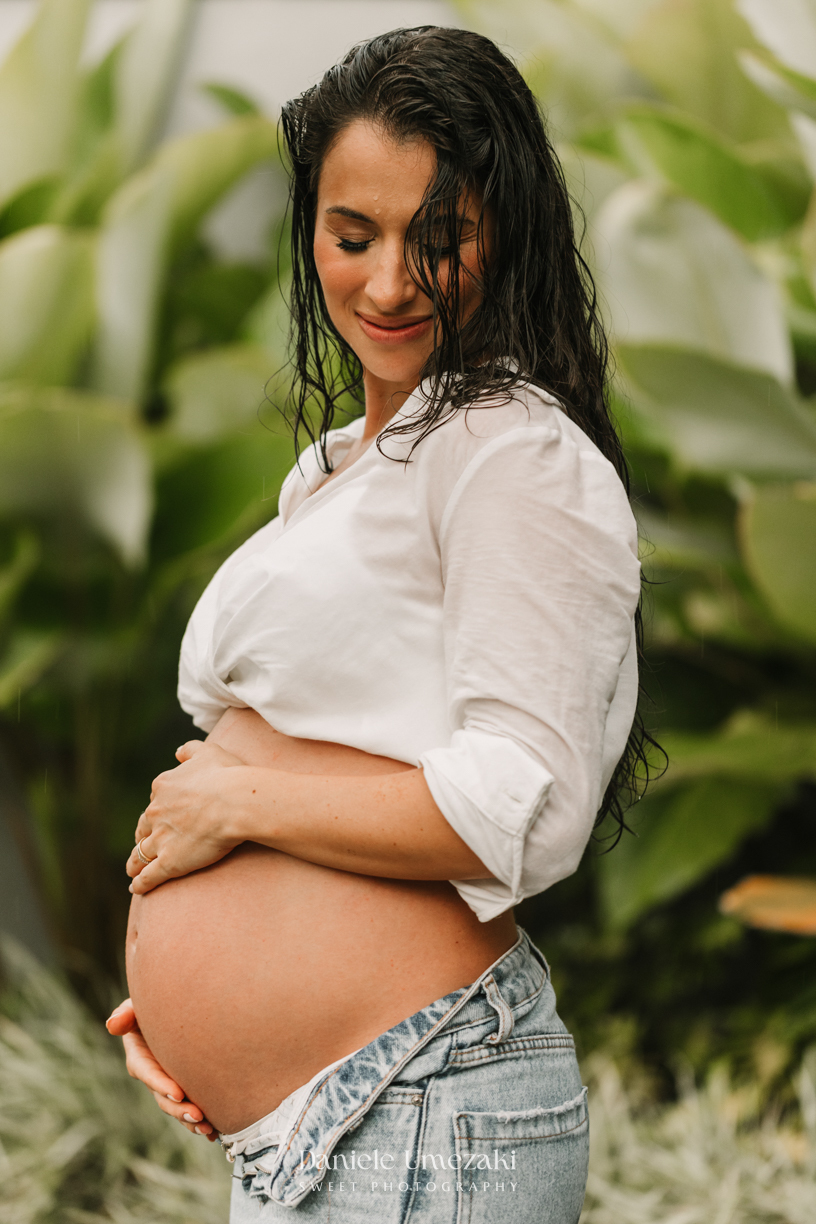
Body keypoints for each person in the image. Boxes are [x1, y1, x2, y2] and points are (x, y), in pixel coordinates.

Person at [106, 25, 648, 1223]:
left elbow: (526, 804)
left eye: (438, 238)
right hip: (336, 1123)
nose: (390, 283)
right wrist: (192, 1017)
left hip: (423, 1107)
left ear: (504, 237)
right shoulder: (341, 470)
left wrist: (240, 806)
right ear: (313, 232)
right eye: (353, 237)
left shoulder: (513, 456)